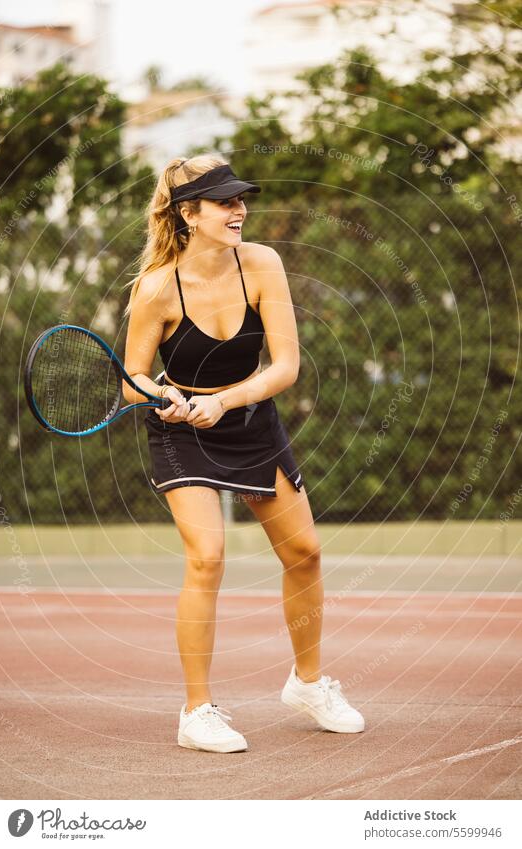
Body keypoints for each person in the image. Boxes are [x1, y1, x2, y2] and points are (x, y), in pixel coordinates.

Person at [123, 154, 365, 753]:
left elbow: (285, 367)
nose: (240, 210)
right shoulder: (157, 287)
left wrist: (226, 402)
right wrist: (165, 396)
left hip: (250, 417)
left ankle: (308, 685)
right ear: (189, 213)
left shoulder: (263, 263)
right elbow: (132, 378)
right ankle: (196, 711)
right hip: (183, 433)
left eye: (241, 199)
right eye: (225, 202)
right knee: (208, 555)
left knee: (305, 553)